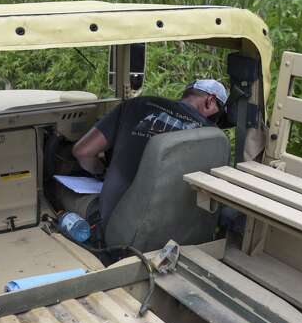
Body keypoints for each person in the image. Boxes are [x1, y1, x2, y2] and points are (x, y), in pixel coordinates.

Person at [71, 78, 228, 229]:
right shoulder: (213, 137)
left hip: (114, 224)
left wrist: (101, 172)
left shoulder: (137, 104)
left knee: (57, 192)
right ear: (210, 100)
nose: (215, 121)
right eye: (218, 114)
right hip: (175, 230)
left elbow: (82, 152)